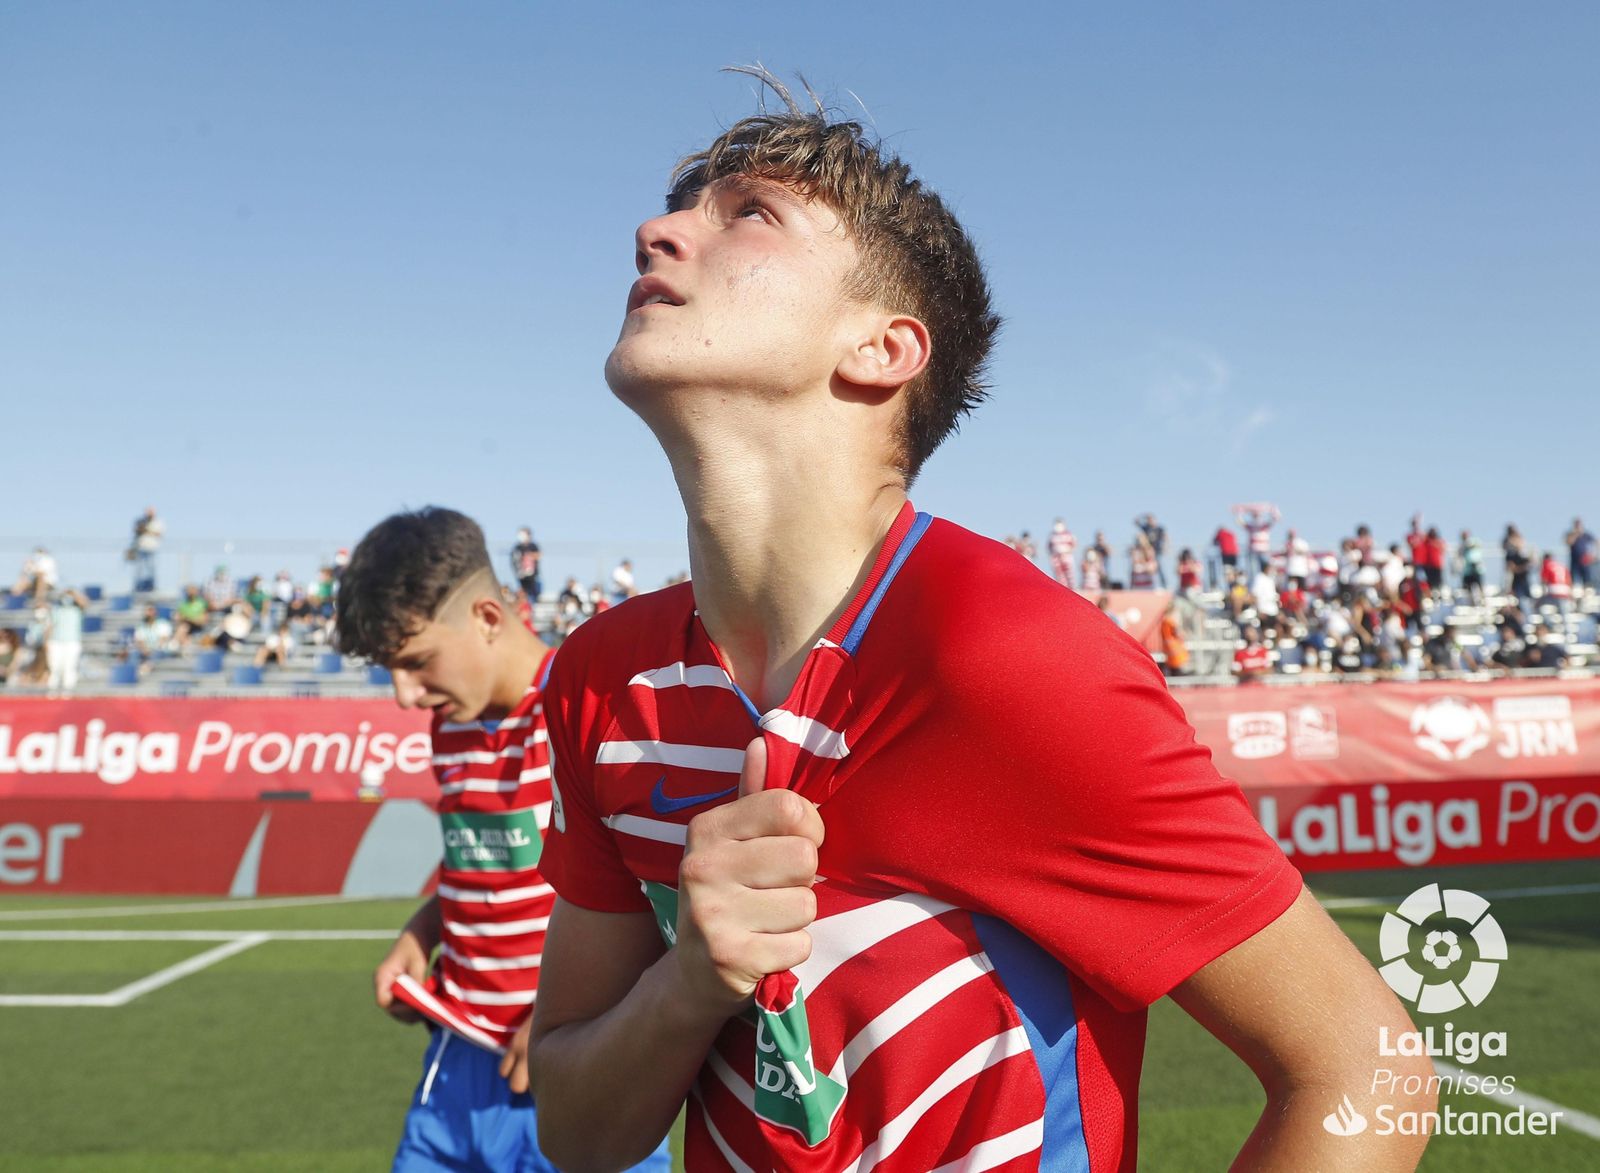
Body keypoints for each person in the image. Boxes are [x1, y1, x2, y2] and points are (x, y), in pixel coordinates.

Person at [527, 78, 1431, 1172]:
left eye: (748, 212)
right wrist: (685, 986)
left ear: (882, 349)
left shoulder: (1005, 656)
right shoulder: (596, 681)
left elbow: (1366, 1067)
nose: (656, 228)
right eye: (684, 208)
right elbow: (574, 1135)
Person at [333, 507, 669, 1173]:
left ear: (487, 616)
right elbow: (479, 864)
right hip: (455, 1063)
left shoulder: (593, 708)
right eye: (389, 669)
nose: (404, 695)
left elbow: (658, 902)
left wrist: (569, 1018)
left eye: (416, 661)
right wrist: (421, 932)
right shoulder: (449, 723)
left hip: (574, 1069)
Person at [45, 588, 88, 695]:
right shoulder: (56, 609)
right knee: (54, 669)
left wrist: (73, 592)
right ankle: (52, 695)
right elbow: (49, 627)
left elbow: (85, 602)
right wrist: (46, 642)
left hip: (72, 642)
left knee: (70, 668)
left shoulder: (77, 610)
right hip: (56, 642)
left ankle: (67, 696)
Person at [129, 506, 164, 592]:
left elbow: (158, 534)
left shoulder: (158, 522)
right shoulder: (142, 521)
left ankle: (152, 586)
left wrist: (146, 530)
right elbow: (136, 531)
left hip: (152, 548)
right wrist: (140, 529)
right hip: (141, 547)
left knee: (151, 568)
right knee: (139, 569)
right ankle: (137, 587)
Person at [511, 527, 543, 601]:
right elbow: (514, 560)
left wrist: (529, 556)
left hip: (533, 577)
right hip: (522, 577)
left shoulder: (533, 546)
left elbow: (538, 555)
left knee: (534, 594)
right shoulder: (517, 547)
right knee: (523, 595)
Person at [1046, 518, 1075, 587]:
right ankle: (1063, 588)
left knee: (1069, 574)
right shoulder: (1052, 535)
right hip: (1056, 557)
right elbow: (1049, 547)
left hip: (1066, 556)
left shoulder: (1068, 534)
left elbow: (1073, 544)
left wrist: (1066, 552)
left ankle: (1072, 588)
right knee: (1059, 575)